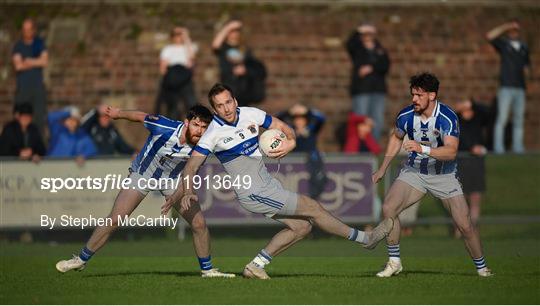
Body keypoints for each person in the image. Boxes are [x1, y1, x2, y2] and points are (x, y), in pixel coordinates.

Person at [164, 83, 394, 280]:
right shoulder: (212, 133)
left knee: (302, 227)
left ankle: (256, 266)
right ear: (214, 109)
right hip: (251, 191)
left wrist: (290, 144)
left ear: (235, 100)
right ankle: (367, 239)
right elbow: (191, 166)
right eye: (219, 105)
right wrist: (188, 192)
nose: (226, 109)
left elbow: (284, 128)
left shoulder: (251, 114)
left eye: (228, 102)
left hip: (267, 185)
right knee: (312, 207)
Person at [55, 105, 235, 278]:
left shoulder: (202, 146)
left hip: (173, 181)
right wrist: (119, 113)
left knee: (199, 224)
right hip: (143, 174)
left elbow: (189, 174)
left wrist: (174, 198)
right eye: (196, 125)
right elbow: (141, 116)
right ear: (186, 122)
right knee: (115, 219)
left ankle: (208, 270)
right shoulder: (164, 126)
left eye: (204, 127)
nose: (200, 131)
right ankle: (80, 259)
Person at [371, 73, 492, 277]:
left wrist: (422, 148)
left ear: (432, 95)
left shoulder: (447, 117)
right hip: (414, 172)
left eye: (419, 95)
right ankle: (394, 261)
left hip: (444, 175)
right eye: (413, 94)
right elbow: (396, 137)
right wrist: (383, 168)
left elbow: (451, 151)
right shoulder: (406, 115)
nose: (414, 99)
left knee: (464, 225)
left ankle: (482, 268)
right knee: (389, 207)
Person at [486, 20, 530, 154]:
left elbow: (526, 66)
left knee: (519, 119)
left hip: (520, 88)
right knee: (502, 118)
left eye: (516, 29)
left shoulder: (524, 47)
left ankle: (518, 148)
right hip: (505, 87)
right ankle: (499, 149)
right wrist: (506, 26)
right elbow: (489, 36)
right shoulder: (504, 44)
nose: (514, 31)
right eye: (512, 29)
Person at [345, 23, 390, 141]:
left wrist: (371, 68)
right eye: (364, 34)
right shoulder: (357, 49)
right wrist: (358, 30)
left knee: (377, 119)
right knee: (360, 118)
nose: (367, 37)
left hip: (378, 90)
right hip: (361, 90)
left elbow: (386, 65)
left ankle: (373, 146)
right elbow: (349, 43)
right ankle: (360, 146)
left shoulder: (379, 49)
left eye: (369, 34)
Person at [454, 99, 491, 237]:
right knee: (460, 200)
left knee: (475, 199)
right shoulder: (456, 119)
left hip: (476, 162)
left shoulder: (478, 117)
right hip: (461, 161)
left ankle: (473, 230)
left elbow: (490, 112)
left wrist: (474, 103)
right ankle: (459, 230)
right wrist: (470, 147)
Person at [277, 104, 327, 200]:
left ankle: (315, 190)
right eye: (297, 119)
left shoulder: (311, 130)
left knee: (316, 166)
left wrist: (308, 111)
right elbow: (277, 119)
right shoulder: (290, 131)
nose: (299, 122)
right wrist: (289, 111)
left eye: (302, 119)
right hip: (294, 161)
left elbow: (321, 118)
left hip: (311, 161)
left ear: (306, 120)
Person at [212, 20, 267, 106]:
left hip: (243, 88)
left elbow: (251, 64)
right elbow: (215, 45)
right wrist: (228, 27)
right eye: (231, 31)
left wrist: (245, 70)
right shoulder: (224, 47)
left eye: (236, 31)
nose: (234, 33)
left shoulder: (244, 48)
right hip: (229, 83)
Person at [12, 18, 49, 133]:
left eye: (29, 29)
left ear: (33, 30)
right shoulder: (18, 46)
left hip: (38, 88)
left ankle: (38, 148)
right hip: (23, 88)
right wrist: (36, 61)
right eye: (24, 29)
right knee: (20, 117)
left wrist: (28, 61)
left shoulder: (39, 43)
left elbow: (44, 62)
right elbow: (18, 66)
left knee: (39, 119)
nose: (26, 32)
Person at [155, 26, 198, 120]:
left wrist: (186, 37)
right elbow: (163, 67)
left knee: (191, 104)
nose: (178, 37)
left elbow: (192, 57)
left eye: (180, 34)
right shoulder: (168, 49)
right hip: (172, 77)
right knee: (172, 106)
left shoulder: (190, 47)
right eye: (176, 34)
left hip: (185, 78)